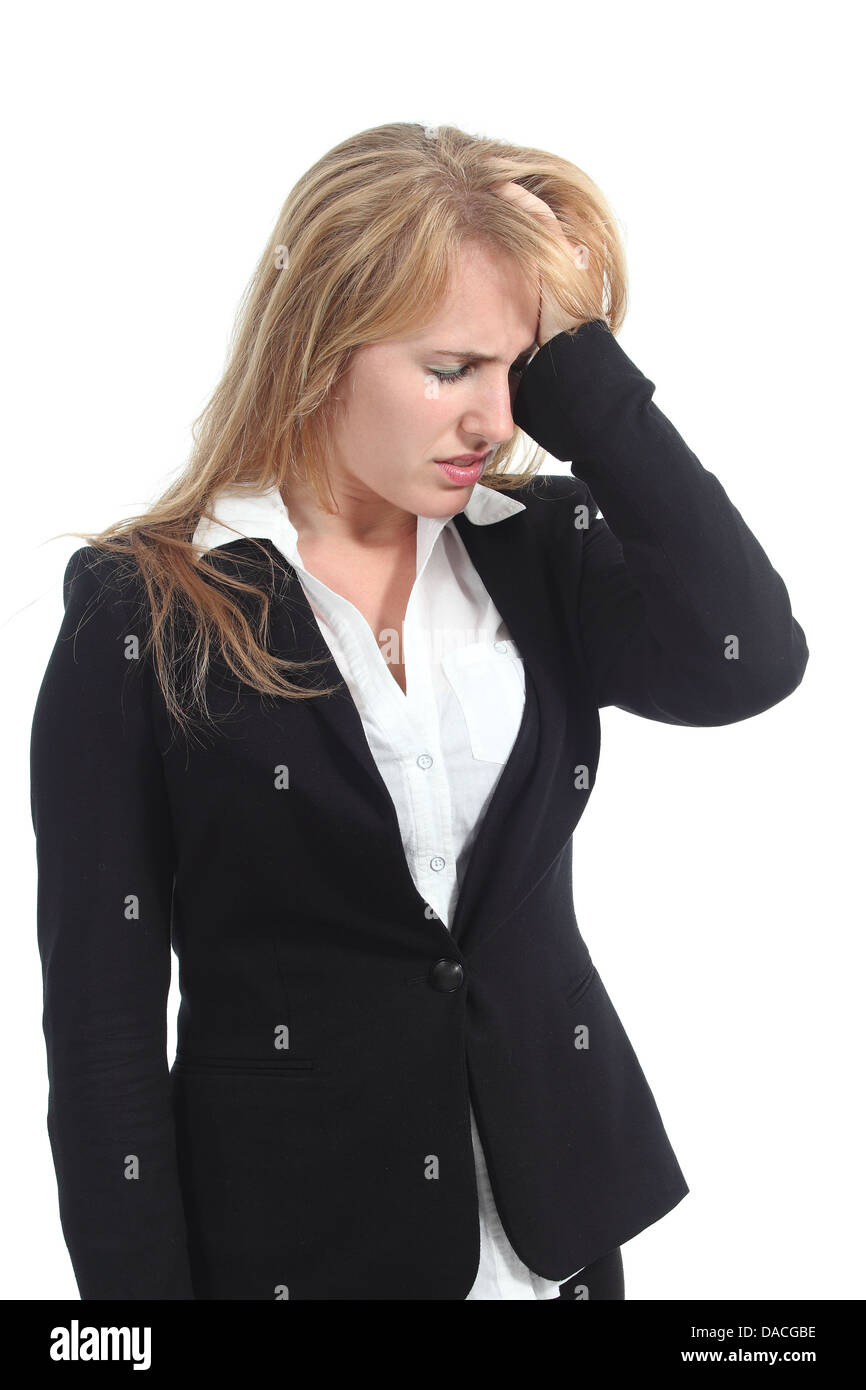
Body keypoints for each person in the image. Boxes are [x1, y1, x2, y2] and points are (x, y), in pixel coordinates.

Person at [30, 121, 808, 1301]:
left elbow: (747, 658)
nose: (494, 419)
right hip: (300, 1255)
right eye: (450, 369)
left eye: (516, 366)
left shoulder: (538, 553)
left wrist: (584, 376)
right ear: (320, 346)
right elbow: (103, 1033)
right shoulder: (142, 608)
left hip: (552, 1247)